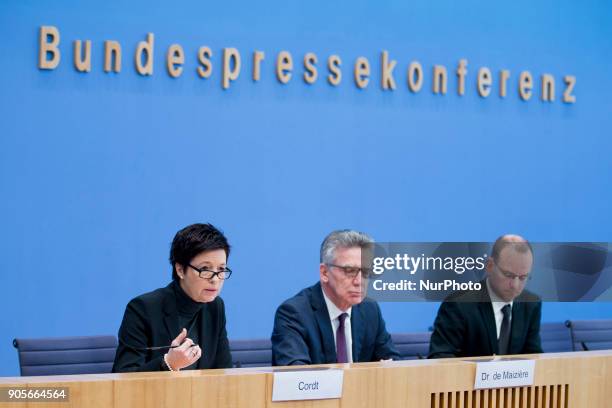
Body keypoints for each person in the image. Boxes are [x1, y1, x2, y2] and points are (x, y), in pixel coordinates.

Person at [112, 223, 233, 372]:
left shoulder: (215, 307)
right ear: (180, 269)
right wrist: (168, 364)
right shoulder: (143, 308)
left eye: (221, 269)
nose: (215, 279)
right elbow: (123, 376)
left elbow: (224, 371)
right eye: (205, 269)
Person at [271, 229, 399, 365]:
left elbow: (393, 364)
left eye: (366, 271)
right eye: (349, 271)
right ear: (324, 272)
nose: (359, 281)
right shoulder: (294, 314)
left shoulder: (370, 310)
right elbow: (297, 377)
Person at [428, 234, 542, 358]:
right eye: (508, 275)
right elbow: (440, 358)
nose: (515, 285)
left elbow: (534, 357)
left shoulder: (531, 303)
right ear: (489, 266)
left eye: (522, 277)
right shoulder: (459, 305)